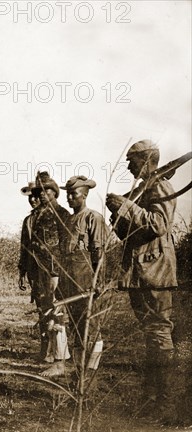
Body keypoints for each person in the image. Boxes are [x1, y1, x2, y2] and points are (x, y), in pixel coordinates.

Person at [106, 140, 178, 424]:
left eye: (131, 160)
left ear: (146, 159)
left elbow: (159, 225)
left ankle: (167, 404)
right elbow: (128, 233)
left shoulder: (160, 187)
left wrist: (124, 206)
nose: (127, 165)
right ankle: (152, 400)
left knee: (159, 337)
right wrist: (119, 212)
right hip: (142, 274)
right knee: (152, 338)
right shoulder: (143, 190)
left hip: (155, 274)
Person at [55, 176, 108, 380]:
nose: (69, 198)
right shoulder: (68, 220)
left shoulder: (93, 218)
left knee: (91, 330)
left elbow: (99, 253)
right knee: (76, 330)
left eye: (74, 194)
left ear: (84, 195)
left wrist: (98, 281)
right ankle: (79, 375)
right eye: (67, 194)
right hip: (70, 282)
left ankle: (90, 376)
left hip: (87, 283)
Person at [29, 172, 72, 376]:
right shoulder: (40, 214)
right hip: (42, 272)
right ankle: (53, 356)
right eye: (39, 191)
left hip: (56, 271)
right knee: (47, 313)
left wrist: (57, 272)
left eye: (46, 190)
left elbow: (64, 246)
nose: (42, 194)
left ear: (54, 192)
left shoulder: (61, 214)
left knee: (57, 314)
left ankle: (60, 361)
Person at [17, 181, 43, 358]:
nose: (33, 200)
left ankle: (58, 353)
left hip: (50, 271)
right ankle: (45, 348)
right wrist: (22, 271)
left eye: (36, 196)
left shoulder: (52, 217)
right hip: (34, 271)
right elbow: (24, 247)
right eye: (30, 197)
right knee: (41, 308)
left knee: (54, 310)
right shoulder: (28, 220)